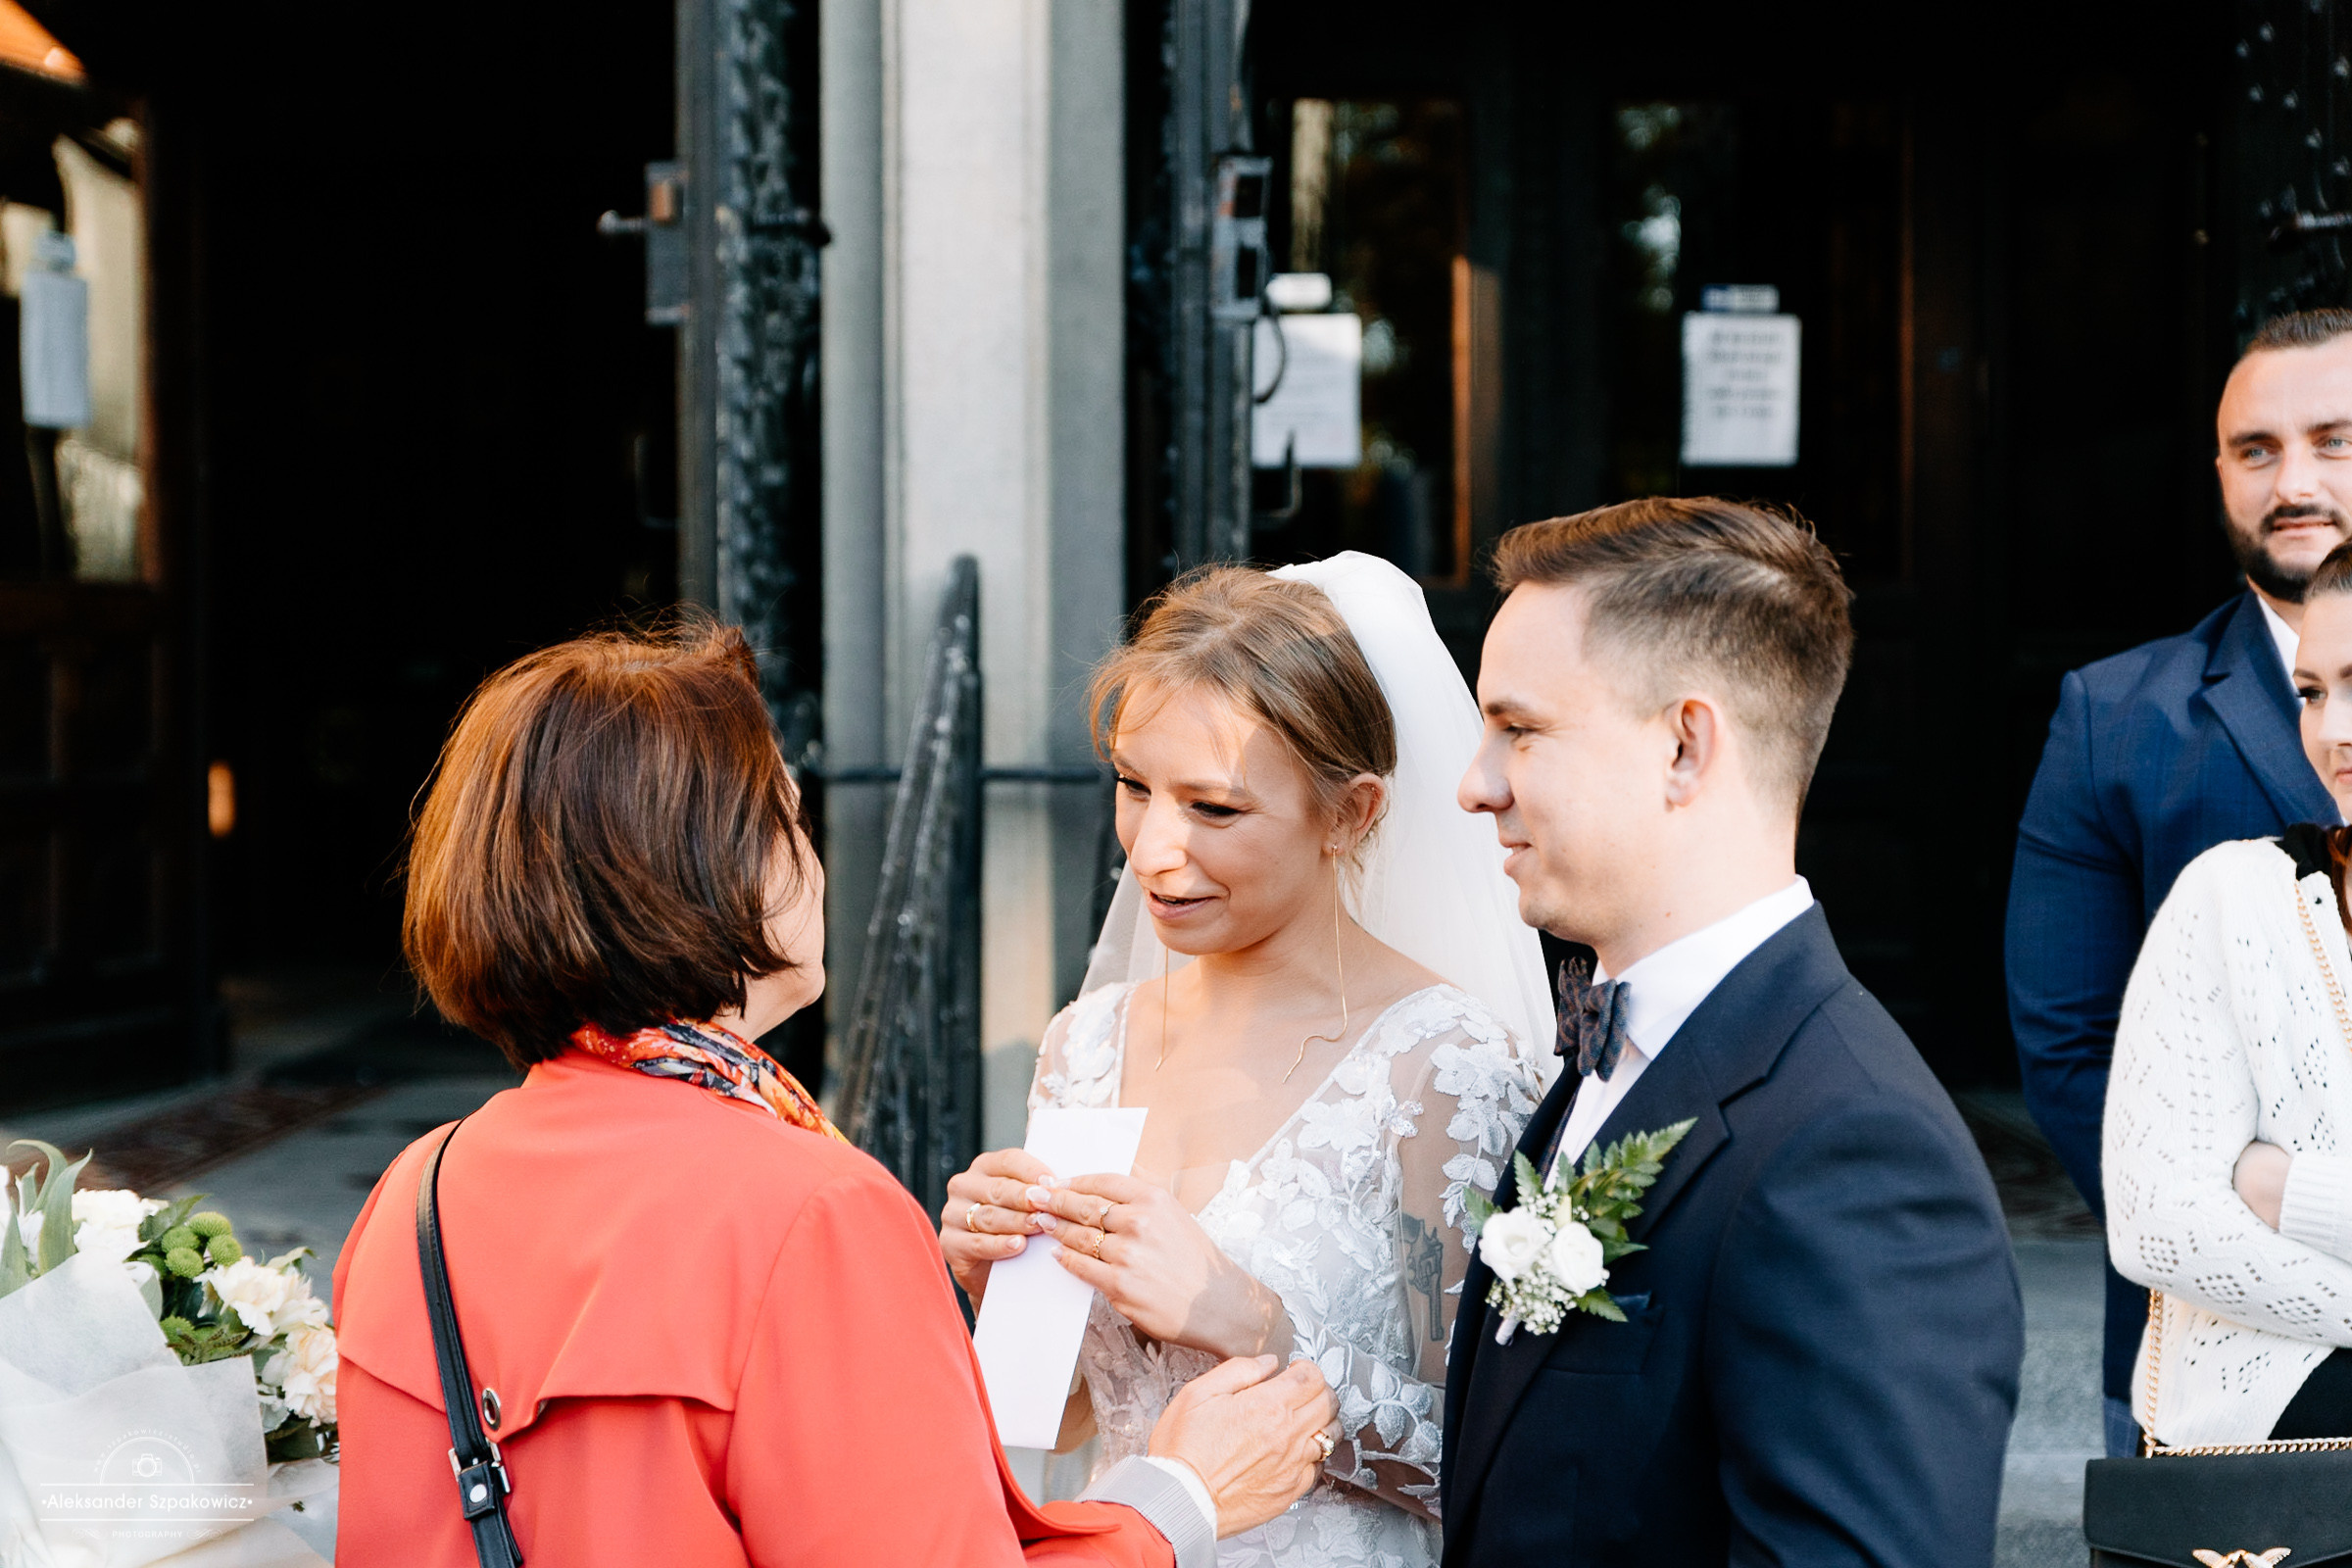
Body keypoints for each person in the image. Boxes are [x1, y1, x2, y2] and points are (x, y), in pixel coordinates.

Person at [331, 621, 1339, 1568]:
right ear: (709, 869)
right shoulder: (811, 1213)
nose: (814, 863)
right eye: (788, 819)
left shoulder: (416, 1192)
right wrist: (1177, 1499)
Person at [1444, 499, 2024, 1566]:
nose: (1475, 785)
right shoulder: (1608, 1056)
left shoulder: (1853, 1156)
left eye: (1518, 729)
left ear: (1684, 746)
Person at [941, 555, 1550, 1568]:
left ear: (1350, 813)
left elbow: (1492, 1456)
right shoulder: (1086, 1043)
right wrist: (994, 1289)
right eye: (1134, 787)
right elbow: (1069, 1419)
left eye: (1214, 809)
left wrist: (1257, 1326)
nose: (1153, 850)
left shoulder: (1439, 1066)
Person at [2009, 308, 2352, 1454]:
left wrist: (2295, 1189)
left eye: (2334, 440)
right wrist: (2220, 1225)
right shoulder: (2116, 717)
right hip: (2212, 1367)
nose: (2292, 482)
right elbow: (2069, 1048)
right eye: (2256, 449)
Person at [2104, 537, 2352, 1447]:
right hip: (2265, 1477)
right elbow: (2159, 1224)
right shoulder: (2234, 897)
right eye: (2313, 692)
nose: (2332, 731)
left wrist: (2294, 1193)